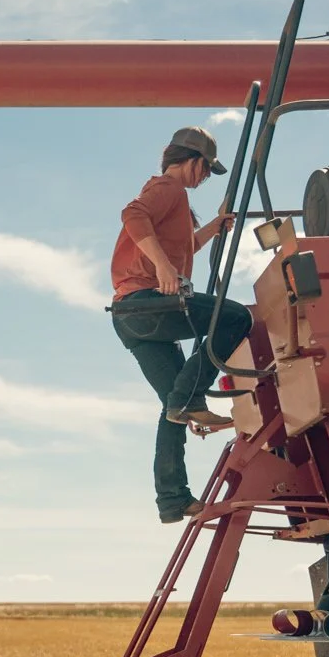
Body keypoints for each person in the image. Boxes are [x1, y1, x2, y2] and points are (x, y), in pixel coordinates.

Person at [108, 127, 254, 523]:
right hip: (148, 303)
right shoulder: (170, 188)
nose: (205, 178)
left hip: (130, 318)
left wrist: (214, 227)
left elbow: (184, 245)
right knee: (238, 316)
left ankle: (172, 499)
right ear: (192, 160)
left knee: (169, 407)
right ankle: (191, 397)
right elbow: (132, 214)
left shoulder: (174, 201)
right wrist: (162, 266)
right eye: (206, 169)